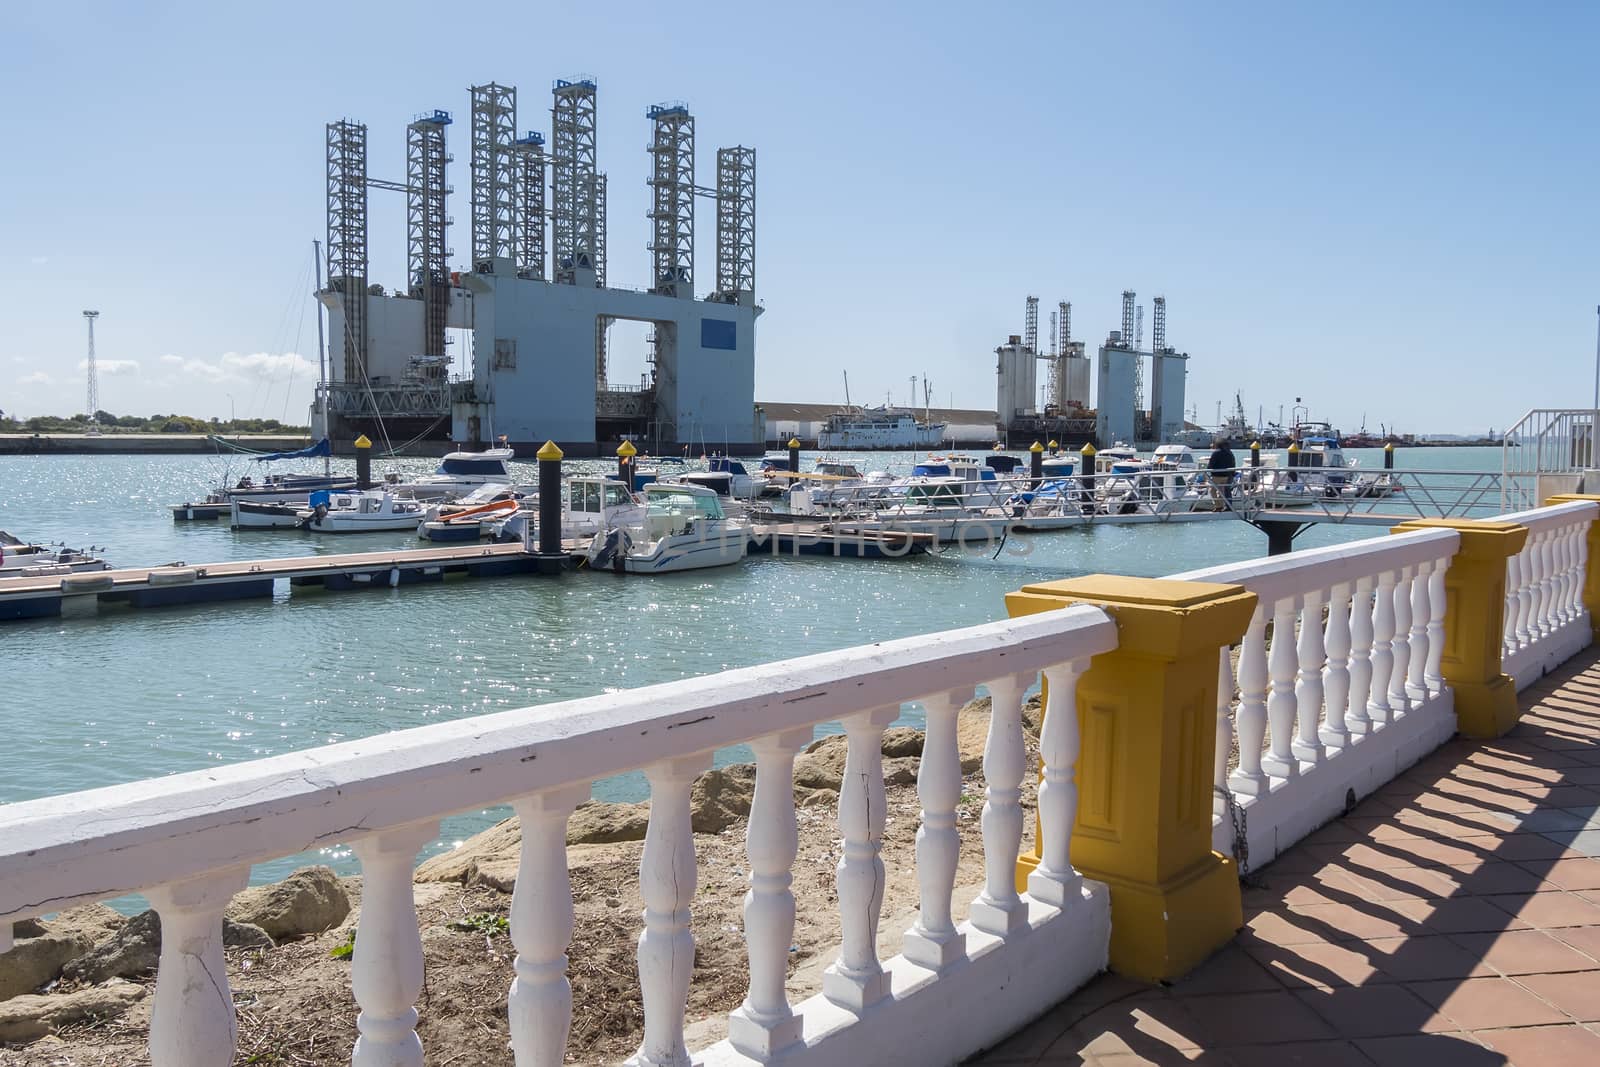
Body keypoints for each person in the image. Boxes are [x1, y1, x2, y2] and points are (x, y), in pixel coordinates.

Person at [1208, 437, 1236, 508]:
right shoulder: (1229, 453)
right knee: (1222, 491)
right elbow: (1233, 463)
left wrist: (1208, 470)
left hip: (1217, 476)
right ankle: (1227, 506)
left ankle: (1218, 506)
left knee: (1212, 490)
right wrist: (1232, 474)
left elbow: (1210, 465)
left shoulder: (1216, 453)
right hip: (1226, 475)